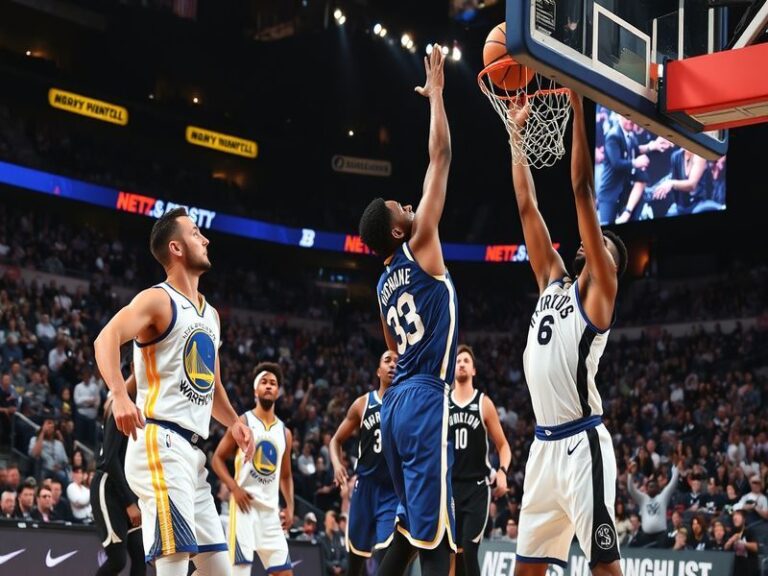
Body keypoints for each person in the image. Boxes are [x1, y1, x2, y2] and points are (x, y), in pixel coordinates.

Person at [94, 207, 254, 576]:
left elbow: (211, 385)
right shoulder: (157, 300)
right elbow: (105, 339)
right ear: (176, 248)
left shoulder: (211, 315)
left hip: (192, 455)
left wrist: (234, 423)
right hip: (160, 442)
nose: (205, 239)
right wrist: (120, 395)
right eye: (196, 233)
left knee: (219, 572)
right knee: (175, 563)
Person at [507, 93, 627, 575]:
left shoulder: (601, 292)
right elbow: (526, 206)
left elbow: (581, 189)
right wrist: (516, 134)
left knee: (604, 567)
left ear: (608, 263)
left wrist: (578, 108)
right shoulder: (552, 278)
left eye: (599, 244)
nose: (587, 243)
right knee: (526, 570)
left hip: (582, 446)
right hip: (543, 447)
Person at [358, 45, 457, 576]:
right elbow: (440, 157)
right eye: (402, 207)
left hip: (395, 405)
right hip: (422, 400)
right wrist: (437, 95)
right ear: (399, 230)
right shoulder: (420, 243)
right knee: (436, 536)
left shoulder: (381, 283)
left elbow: (392, 347)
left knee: (409, 529)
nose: (408, 202)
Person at [211, 363, 294, 576]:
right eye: (264, 382)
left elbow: (286, 476)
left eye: (273, 383)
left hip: (271, 513)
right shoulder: (243, 421)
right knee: (240, 572)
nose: (269, 386)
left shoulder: (285, 433)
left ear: (278, 392)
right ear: (255, 390)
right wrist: (234, 488)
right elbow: (217, 459)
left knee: (285, 573)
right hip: (244, 509)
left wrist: (290, 506)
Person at [329, 350, 399, 576]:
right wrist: (337, 464)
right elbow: (335, 441)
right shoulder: (363, 404)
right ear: (378, 371)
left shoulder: (407, 406)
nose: (392, 365)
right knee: (356, 561)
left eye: (397, 361)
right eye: (387, 360)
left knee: (386, 553)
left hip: (392, 491)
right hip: (365, 488)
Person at [449, 344, 511, 576]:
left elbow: (503, 445)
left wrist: (502, 471)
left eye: (466, 361)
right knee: (454, 554)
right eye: (458, 361)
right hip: (449, 487)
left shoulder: (483, 403)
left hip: (476, 488)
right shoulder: (443, 403)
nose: (461, 364)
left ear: (474, 370)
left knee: (469, 549)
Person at [90, 375, 145, 576]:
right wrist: (129, 502)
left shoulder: (141, 403)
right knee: (117, 560)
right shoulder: (119, 404)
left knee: (140, 554)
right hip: (109, 485)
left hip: (128, 485)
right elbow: (111, 460)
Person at [627, 460, 680, 547]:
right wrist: (630, 474)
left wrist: (675, 468)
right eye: (650, 486)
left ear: (658, 488)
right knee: (634, 544)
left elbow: (672, 484)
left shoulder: (663, 497)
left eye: (654, 486)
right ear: (646, 489)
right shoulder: (643, 499)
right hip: (645, 536)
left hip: (661, 535)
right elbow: (631, 490)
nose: (651, 488)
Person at [725, 510, 760, 575]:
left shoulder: (749, 531)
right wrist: (732, 540)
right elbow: (725, 547)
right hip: (735, 568)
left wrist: (742, 543)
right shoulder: (731, 532)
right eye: (734, 516)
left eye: (738, 515)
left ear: (744, 519)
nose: (735, 518)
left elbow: (755, 547)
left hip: (749, 567)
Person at [318, 510, 349, 576]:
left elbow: (345, 556)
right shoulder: (320, 539)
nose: (332, 522)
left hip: (340, 572)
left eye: (334, 521)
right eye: (330, 521)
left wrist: (341, 567)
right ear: (325, 522)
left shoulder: (340, 538)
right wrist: (332, 568)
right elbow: (321, 558)